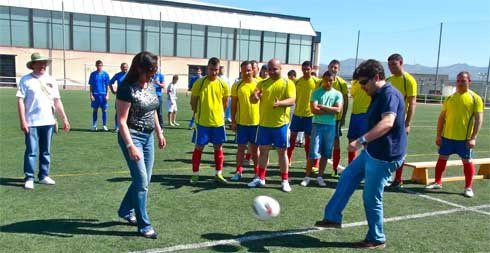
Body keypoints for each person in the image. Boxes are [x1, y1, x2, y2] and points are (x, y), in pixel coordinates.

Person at [315, 59, 406, 249]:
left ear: (377, 77)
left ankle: (377, 238)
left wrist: (361, 141)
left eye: (364, 82)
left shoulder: (389, 94)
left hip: (385, 157)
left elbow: (388, 122)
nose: (361, 87)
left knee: (371, 197)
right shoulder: (377, 93)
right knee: (347, 177)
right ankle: (332, 218)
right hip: (372, 151)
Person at [116, 51, 166, 239]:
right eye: (148, 73)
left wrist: (159, 132)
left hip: (148, 137)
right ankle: (144, 225)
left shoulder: (151, 85)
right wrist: (130, 146)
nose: (150, 77)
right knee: (142, 183)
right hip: (132, 136)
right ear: (138, 69)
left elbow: (152, 110)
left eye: (153, 73)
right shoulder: (126, 88)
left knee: (143, 180)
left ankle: (125, 210)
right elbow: (121, 121)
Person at [17, 52, 70, 189]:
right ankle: (29, 177)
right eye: (39, 63)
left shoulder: (51, 80)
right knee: (31, 150)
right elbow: (20, 101)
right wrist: (23, 121)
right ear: (33, 65)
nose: (42, 65)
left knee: (46, 150)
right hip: (32, 122)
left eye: (44, 63)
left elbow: (57, 101)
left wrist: (64, 118)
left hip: (48, 121)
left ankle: (44, 175)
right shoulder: (25, 80)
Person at [425, 71, 483, 198]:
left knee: (467, 162)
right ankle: (437, 182)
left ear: (469, 82)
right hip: (447, 138)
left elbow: (479, 120)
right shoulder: (450, 98)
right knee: (441, 160)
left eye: (463, 80)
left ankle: (468, 187)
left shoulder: (475, 98)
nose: (460, 83)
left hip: (464, 140)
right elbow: (441, 118)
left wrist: (473, 138)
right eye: (458, 80)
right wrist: (438, 135)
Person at [247, 58, 296, 192]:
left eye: (275, 69)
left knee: (282, 153)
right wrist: (255, 97)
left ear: (280, 69)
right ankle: (260, 178)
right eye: (270, 69)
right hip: (264, 125)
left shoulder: (288, 83)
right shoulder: (262, 83)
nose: (272, 71)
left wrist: (280, 103)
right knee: (263, 152)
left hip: (281, 125)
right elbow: (253, 99)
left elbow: (292, 100)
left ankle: (285, 180)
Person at [190, 57, 230, 184]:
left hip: (218, 123)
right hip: (202, 123)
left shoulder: (223, 84)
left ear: (219, 69)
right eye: (211, 69)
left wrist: (218, 114)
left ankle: (218, 173)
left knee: (218, 148)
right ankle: (195, 174)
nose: (214, 72)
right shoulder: (199, 83)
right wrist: (199, 115)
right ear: (207, 68)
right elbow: (193, 102)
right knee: (199, 148)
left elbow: (225, 103)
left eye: (216, 70)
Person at [300, 70, 342, 187]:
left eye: (330, 80)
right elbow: (314, 110)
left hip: (330, 126)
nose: (328, 83)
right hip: (317, 125)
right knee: (313, 152)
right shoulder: (316, 92)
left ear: (334, 81)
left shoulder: (337, 94)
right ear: (322, 79)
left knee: (325, 153)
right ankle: (307, 176)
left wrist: (322, 107)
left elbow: (338, 110)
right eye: (326, 80)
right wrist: (330, 110)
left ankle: (320, 176)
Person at [386, 53, 418, 188]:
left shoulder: (409, 80)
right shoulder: (388, 80)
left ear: (401, 63)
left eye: (394, 64)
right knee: (386, 147)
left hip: (400, 122)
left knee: (399, 150)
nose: (391, 67)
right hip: (387, 120)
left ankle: (398, 179)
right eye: (389, 65)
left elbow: (412, 103)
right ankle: (386, 176)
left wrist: (407, 123)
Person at [287, 61, 321, 171]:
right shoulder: (297, 82)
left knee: (309, 140)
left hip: (310, 116)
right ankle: (288, 160)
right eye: (304, 69)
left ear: (312, 69)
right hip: (297, 114)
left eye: (308, 69)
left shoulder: (317, 82)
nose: (306, 71)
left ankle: (310, 163)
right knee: (292, 138)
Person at [230, 61, 260, 181]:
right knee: (240, 149)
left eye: (249, 70)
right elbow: (233, 106)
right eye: (244, 71)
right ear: (241, 72)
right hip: (242, 124)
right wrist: (233, 121)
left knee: (255, 150)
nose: (247, 73)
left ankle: (257, 173)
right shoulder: (237, 85)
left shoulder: (259, 84)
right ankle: (238, 171)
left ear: (252, 70)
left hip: (256, 123)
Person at [347, 67, 371, 163]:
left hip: (365, 115)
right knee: (352, 141)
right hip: (354, 114)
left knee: (366, 142)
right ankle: (351, 166)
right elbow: (352, 94)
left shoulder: (370, 83)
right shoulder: (355, 83)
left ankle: (367, 166)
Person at [329, 59, 349, 177]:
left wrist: (343, 116)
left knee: (336, 143)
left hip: (336, 118)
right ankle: (315, 167)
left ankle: (335, 168)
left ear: (338, 69)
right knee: (320, 143)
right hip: (322, 118)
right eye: (331, 67)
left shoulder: (342, 83)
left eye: (335, 67)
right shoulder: (322, 81)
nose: (333, 69)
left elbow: (345, 101)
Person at [89, 60, 110, 131]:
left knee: (104, 110)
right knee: (95, 110)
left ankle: (104, 125)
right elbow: (91, 85)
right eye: (98, 65)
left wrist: (107, 95)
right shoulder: (93, 74)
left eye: (100, 65)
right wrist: (91, 95)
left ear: (102, 66)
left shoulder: (105, 74)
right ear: (96, 66)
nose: (99, 67)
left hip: (103, 95)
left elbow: (107, 86)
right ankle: (94, 125)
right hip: (95, 95)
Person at [109, 62, 129, 131]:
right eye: (123, 67)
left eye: (126, 67)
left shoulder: (130, 75)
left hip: (129, 96)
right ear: (121, 68)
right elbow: (110, 82)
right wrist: (113, 91)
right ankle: (117, 127)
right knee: (118, 111)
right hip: (120, 96)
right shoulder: (117, 75)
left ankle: (127, 127)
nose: (125, 69)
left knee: (129, 111)